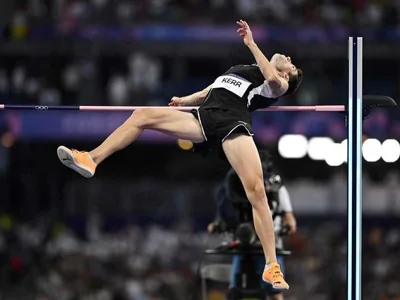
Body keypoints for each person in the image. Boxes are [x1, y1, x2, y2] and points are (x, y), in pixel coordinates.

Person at [56, 20, 302, 289]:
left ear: (288, 76)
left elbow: (270, 79)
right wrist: (185, 101)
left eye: (291, 64)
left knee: (256, 191)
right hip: (203, 117)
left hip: (233, 123)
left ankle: (271, 266)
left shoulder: (278, 84)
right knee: (141, 115)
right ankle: (91, 159)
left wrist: (252, 44)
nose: (288, 59)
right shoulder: (242, 69)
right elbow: (212, 90)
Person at [208, 150, 297, 300]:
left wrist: (287, 226)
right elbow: (222, 213)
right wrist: (217, 225)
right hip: (242, 245)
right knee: (234, 290)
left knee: (274, 292)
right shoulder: (232, 185)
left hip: (269, 246)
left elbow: (290, 221)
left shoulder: (276, 187)